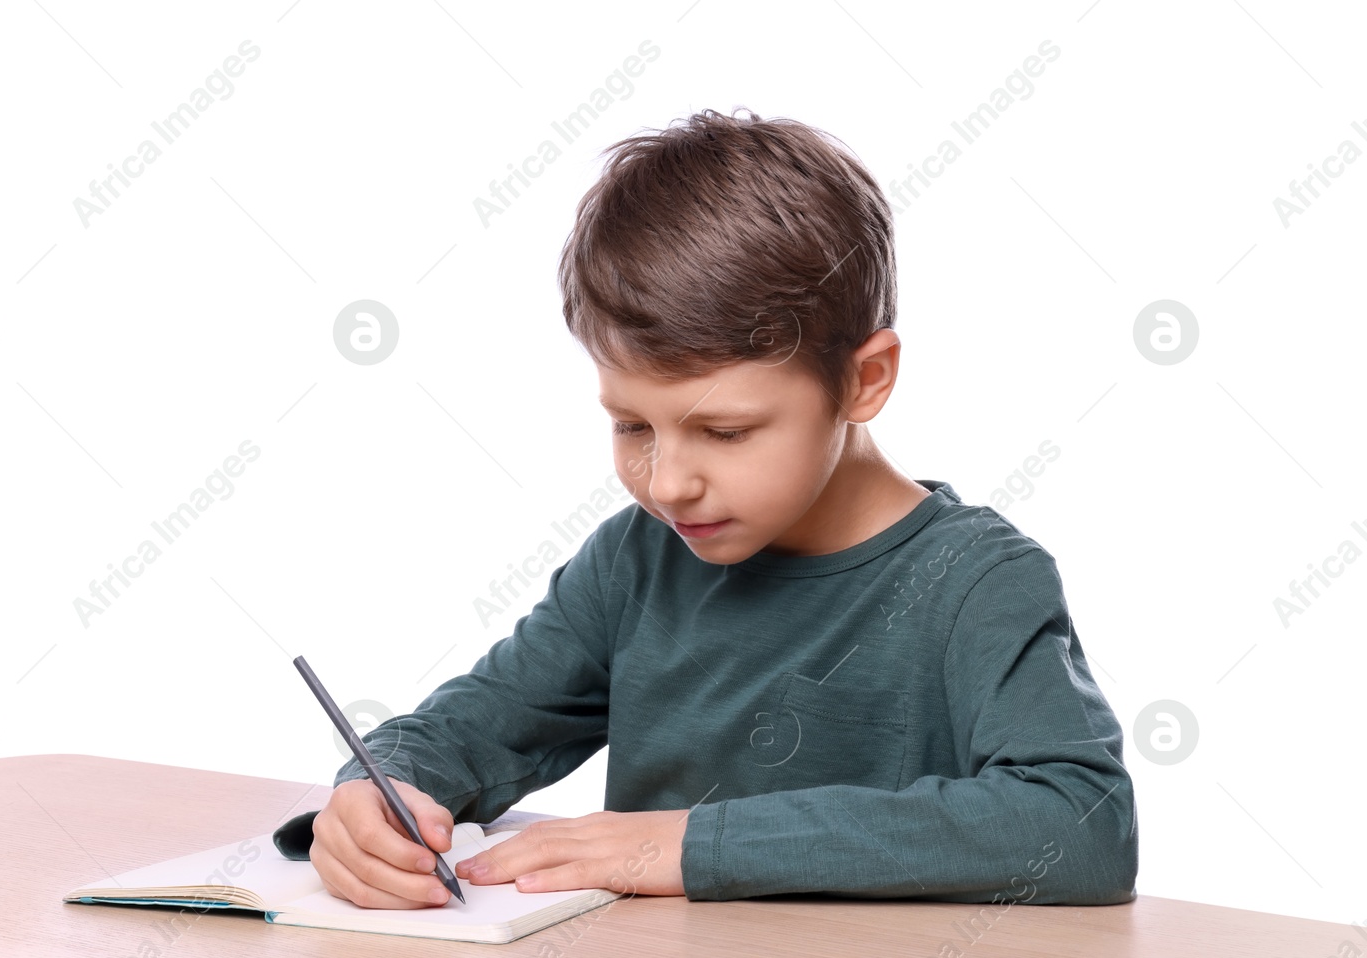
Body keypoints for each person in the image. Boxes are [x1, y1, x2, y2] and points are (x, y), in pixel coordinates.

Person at [307, 108, 1138, 909]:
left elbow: (1080, 823)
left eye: (725, 430)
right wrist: (375, 793)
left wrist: (691, 844)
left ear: (864, 381)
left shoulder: (978, 583)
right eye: (632, 424)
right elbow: (471, 727)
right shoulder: (636, 561)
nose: (667, 484)